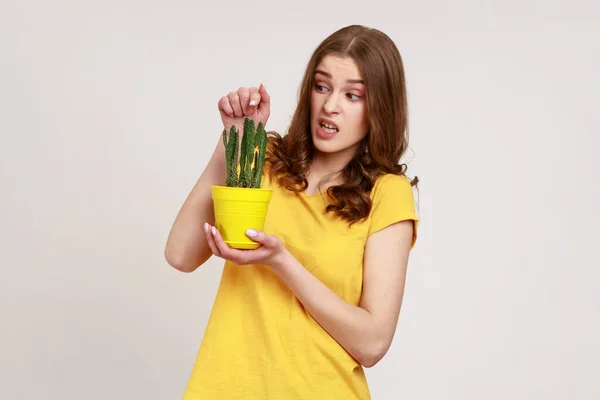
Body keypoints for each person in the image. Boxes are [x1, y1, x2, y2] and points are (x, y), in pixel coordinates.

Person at [165, 24, 419, 400]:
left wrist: (282, 262)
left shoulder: (386, 193)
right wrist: (235, 140)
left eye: (352, 95)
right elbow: (181, 254)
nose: (330, 105)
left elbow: (373, 343)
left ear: (378, 108)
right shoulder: (263, 162)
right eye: (321, 86)